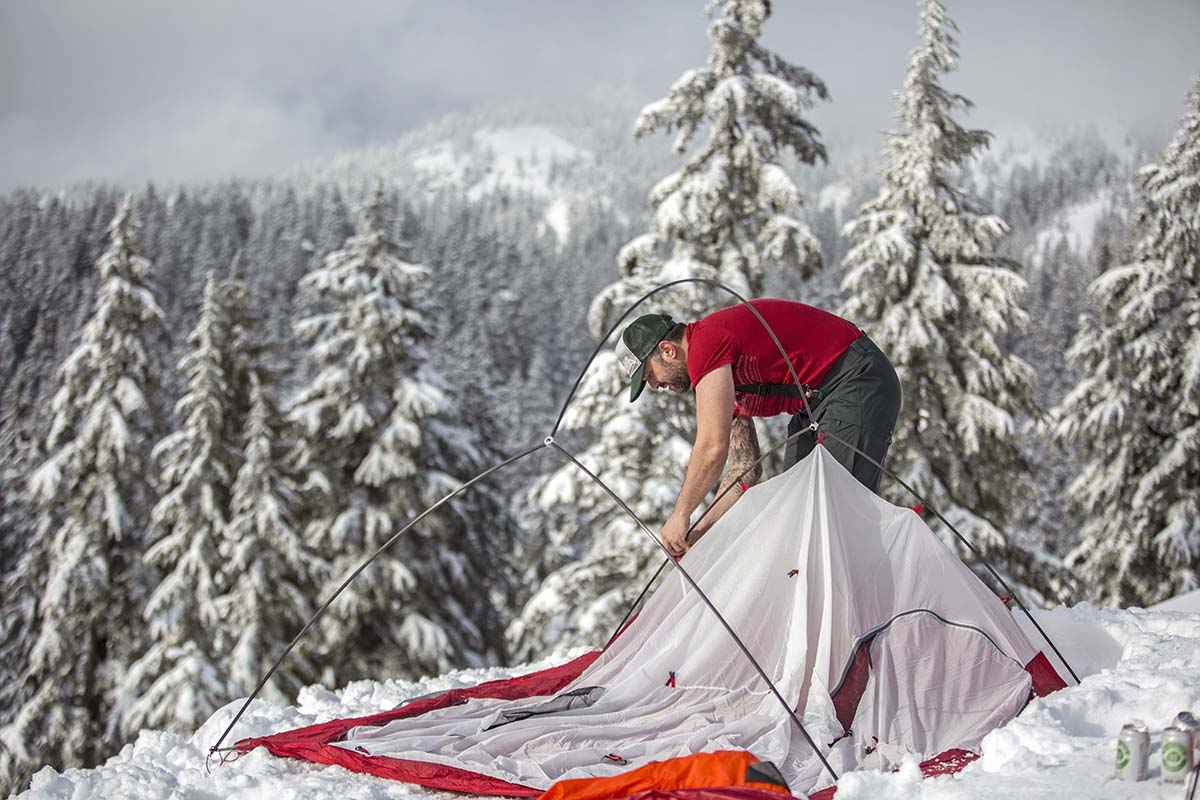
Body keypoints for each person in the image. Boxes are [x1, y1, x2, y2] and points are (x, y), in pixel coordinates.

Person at [615, 298, 901, 557]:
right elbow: (744, 469)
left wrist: (681, 514)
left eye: (649, 375)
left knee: (832, 519)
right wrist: (700, 531)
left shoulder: (706, 344)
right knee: (797, 516)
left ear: (667, 350)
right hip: (816, 404)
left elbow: (712, 447)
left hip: (855, 379)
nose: (655, 386)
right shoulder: (717, 376)